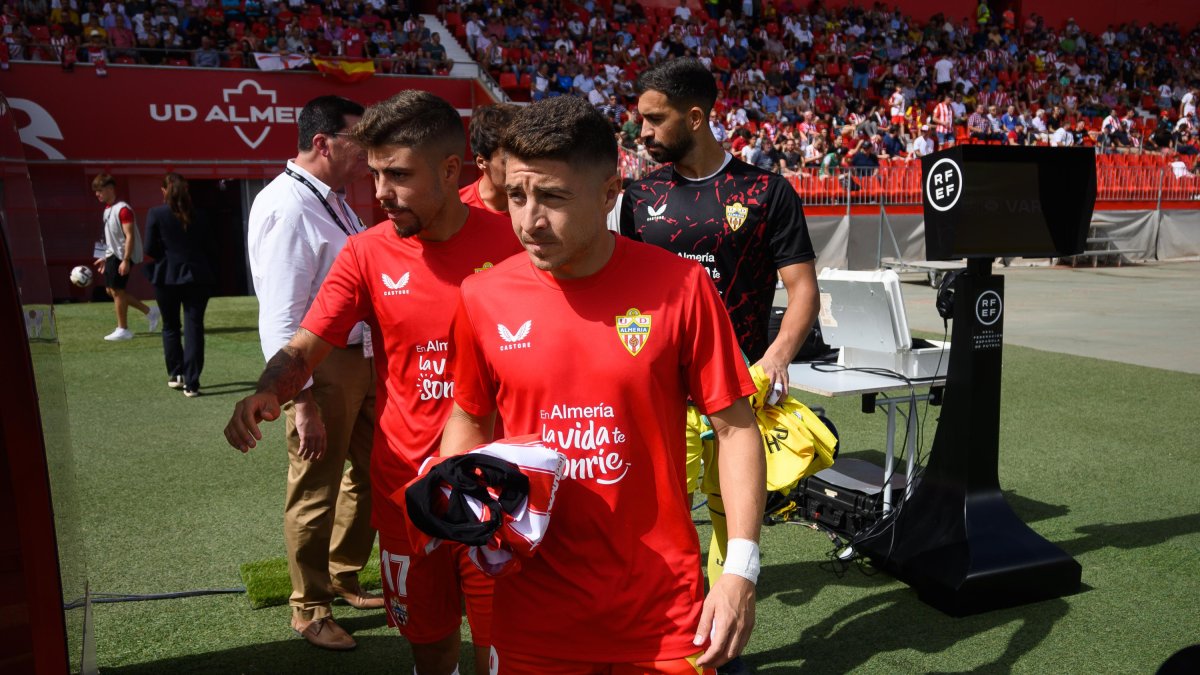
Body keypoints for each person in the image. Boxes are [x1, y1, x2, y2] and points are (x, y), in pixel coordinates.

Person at [441, 94, 766, 674]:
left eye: (553, 197)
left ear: (611, 194)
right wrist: (465, 511)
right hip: (533, 610)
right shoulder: (481, 296)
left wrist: (740, 568)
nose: (529, 220)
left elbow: (736, 428)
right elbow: (468, 418)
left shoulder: (683, 286)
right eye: (517, 195)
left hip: (662, 609)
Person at [226, 90, 522, 673]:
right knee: (431, 645)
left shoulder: (514, 244)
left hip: (497, 489)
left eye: (399, 175)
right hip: (405, 492)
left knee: (499, 651)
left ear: (451, 170)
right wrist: (270, 389)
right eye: (377, 172)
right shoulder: (365, 253)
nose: (381, 190)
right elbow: (307, 342)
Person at [619, 58, 818, 675]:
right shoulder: (640, 194)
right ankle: (654, 634)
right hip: (655, 390)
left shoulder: (766, 191)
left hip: (736, 392)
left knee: (732, 527)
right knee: (651, 518)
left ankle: (719, 643)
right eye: (640, 120)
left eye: (654, 119)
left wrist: (775, 359)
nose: (643, 132)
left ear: (697, 116)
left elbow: (803, 287)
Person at [241, 95, 380, 651]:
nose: (367, 153)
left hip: (357, 361)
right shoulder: (290, 205)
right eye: (358, 139)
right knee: (315, 491)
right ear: (322, 143)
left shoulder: (330, 200)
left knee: (372, 475)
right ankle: (309, 608)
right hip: (320, 367)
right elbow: (279, 315)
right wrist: (300, 401)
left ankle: (342, 576)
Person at [143, 173, 217, 396]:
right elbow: (211, 247)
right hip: (197, 276)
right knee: (194, 327)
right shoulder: (201, 215)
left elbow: (149, 248)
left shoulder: (156, 214)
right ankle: (192, 383)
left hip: (167, 276)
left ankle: (176, 374)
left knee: (171, 326)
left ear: (164, 191)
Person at [91, 173, 160, 341]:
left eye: (100, 191)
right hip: (113, 255)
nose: (97, 194)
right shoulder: (107, 209)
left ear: (110, 189)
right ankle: (150, 312)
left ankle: (123, 329)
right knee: (110, 291)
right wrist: (104, 257)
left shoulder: (123, 209)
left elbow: (130, 236)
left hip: (122, 255)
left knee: (117, 291)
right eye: (96, 191)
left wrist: (126, 260)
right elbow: (108, 236)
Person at [460, 103, 518, 215]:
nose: (522, 168)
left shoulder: (543, 207)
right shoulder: (457, 210)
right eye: (508, 161)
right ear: (481, 162)